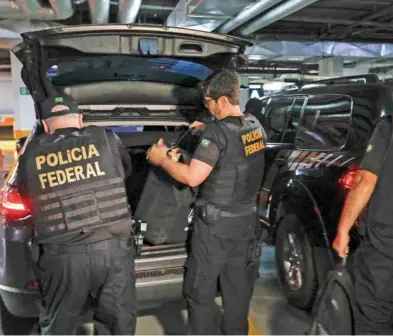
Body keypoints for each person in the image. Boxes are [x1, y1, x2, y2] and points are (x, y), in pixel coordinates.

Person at [147, 69, 266, 335]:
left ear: (222, 100)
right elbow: (232, 162)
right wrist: (204, 133)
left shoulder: (216, 132)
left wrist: (161, 160)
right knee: (237, 293)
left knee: (199, 293)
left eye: (208, 102)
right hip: (246, 224)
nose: (207, 107)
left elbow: (192, 178)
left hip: (215, 230)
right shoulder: (254, 125)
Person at [17, 94, 136, 335]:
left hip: (62, 257)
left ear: (45, 125)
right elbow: (126, 171)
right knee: (118, 325)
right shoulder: (107, 139)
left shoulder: (30, 154)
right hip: (112, 251)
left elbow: (25, 192)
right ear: (80, 119)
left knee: (59, 327)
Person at [333, 115, 393, 334]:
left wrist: (343, 230)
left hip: (385, 249)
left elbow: (365, 180)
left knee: (373, 319)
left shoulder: (388, 127)